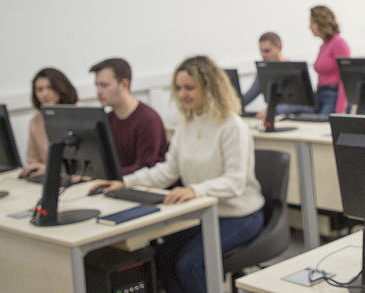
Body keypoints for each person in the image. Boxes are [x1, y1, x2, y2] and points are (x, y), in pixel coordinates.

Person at [90, 55, 264, 293]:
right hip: (201, 214)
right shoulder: (186, 124)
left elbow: (235, 182)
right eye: (179, 88)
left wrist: (195, 190)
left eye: (189, 88)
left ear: (209, 87)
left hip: (239, 214)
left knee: (189, 265)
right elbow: (167, 172)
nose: (182, 94)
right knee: (162, 258)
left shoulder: (232, 126)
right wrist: (125, 182)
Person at [89, 57, 168, 176]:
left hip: (143, 187)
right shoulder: (107, 119)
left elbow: (145, 167)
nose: (99, 92)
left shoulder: (148, 119)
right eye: (97, 86)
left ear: (124, 84)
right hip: (117, 184)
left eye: (104, 85)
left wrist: (104, 175)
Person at [19, 68, 79, 177]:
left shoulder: (80, 115)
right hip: (50, 178)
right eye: (39, 90)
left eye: (50, 88)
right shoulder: (36, 120)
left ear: (61, 88)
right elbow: (32, 160)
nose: (45, 94)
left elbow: (83, 165)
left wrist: (49, 169)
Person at [239, 32, 290, 120]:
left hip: (294, 119)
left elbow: (303, 105)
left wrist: (273, 111)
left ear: (279, 47)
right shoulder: (263, 72)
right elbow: (249, 95)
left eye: (267, 51)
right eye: (261, 51)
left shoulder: (293, 70)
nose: (263, 55)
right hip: (275, 118)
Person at [310, 5, 350, 114]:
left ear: (321, 23)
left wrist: (341, 108)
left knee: (322, 128)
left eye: (312, 23)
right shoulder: (323, 46)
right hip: (320, 93)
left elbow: (346, 77)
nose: (310, 27)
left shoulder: (339, 43)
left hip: (333, 95)